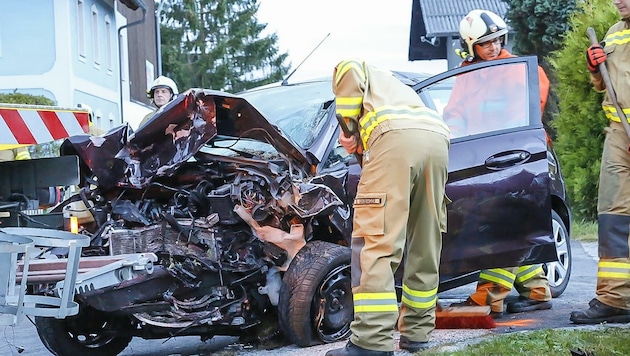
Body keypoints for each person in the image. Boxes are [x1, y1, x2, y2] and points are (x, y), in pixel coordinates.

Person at [325, 59, 450, 356]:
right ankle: (417, 333)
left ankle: (370, 342)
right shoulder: (394, 87)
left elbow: (349, 70)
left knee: (375, 241)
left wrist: (349, 130)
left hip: (395, 140)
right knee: (425, 240)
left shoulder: (357, 70)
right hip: (437, 138)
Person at [444, 9, 553, 318]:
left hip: (516, 158)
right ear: (471, 47)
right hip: (483, 160)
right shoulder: (467, 76)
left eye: (496, 41)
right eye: (484, 44)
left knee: (500, 227)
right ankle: (537, 290)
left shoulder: (518, 70)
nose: (492, 48)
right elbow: (453, 114)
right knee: (515, 225)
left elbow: (530, 106)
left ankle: (489, 297)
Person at [570, 0, 630, 325]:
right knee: (613, 216)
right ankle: (615, 299)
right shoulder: (614, 34)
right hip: (619, 134)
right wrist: (595, 69)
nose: (619, 1)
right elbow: (604, 86)